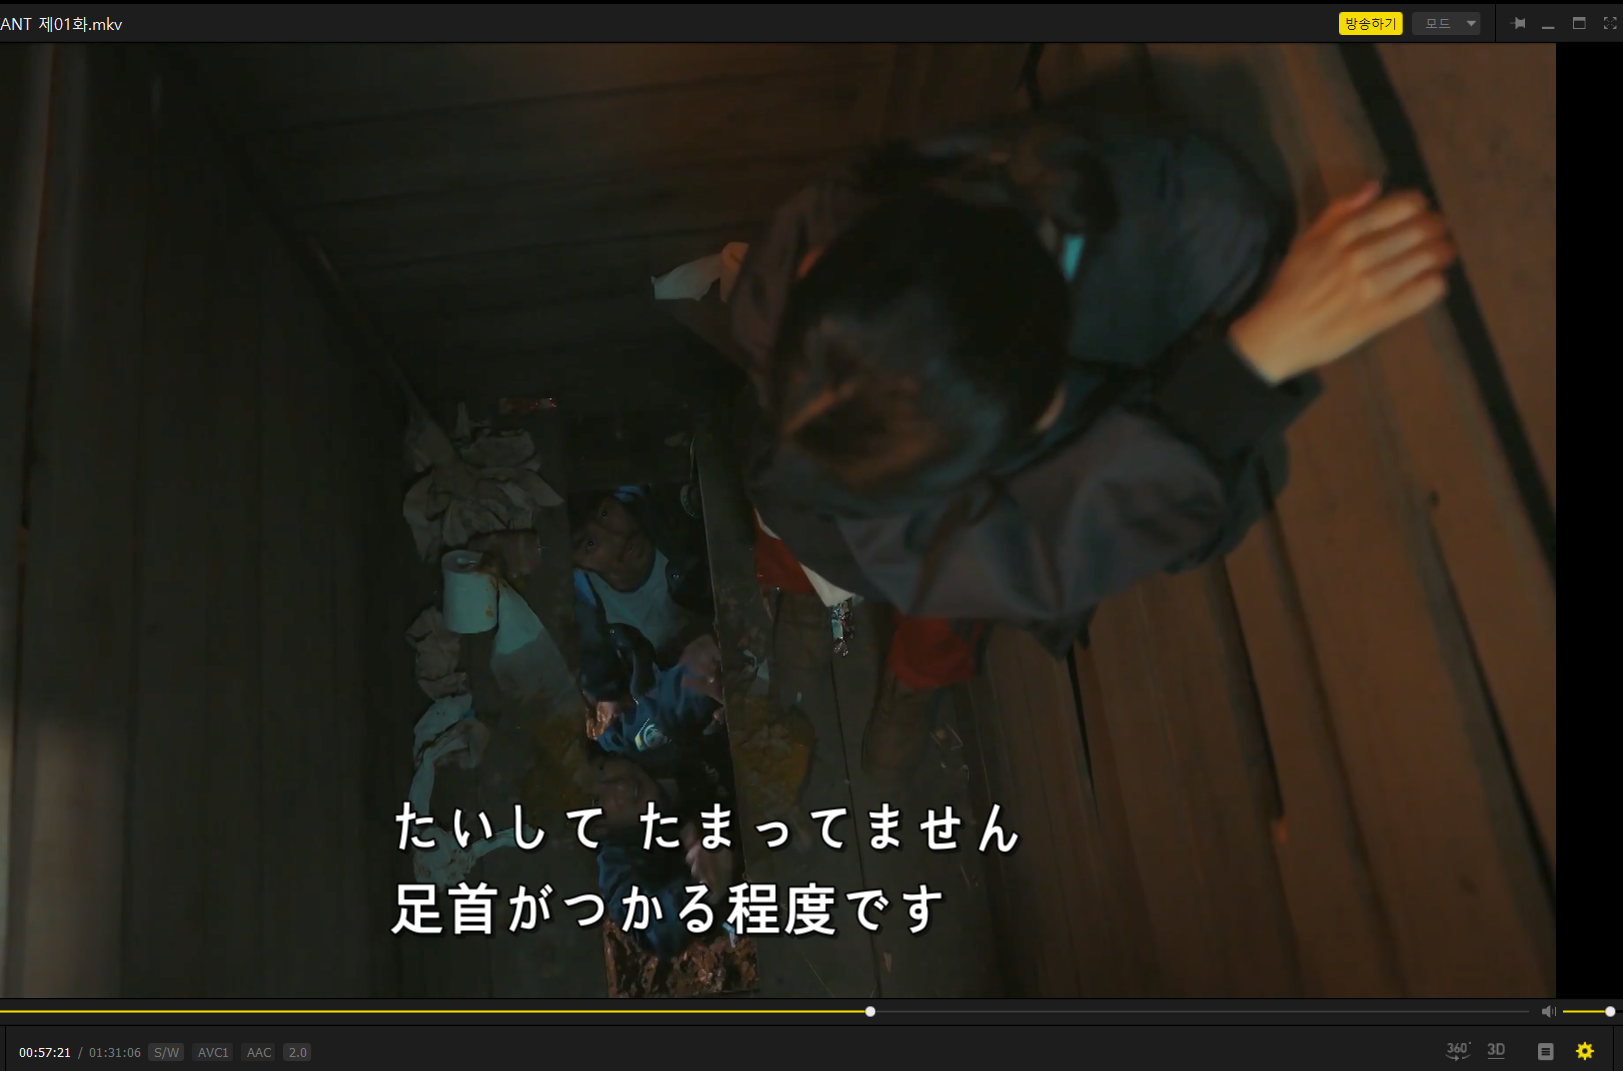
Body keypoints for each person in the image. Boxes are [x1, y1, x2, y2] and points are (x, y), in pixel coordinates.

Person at [725, 104, 1456, 773]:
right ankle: (830, 607)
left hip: (921, 519)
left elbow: (1092, 533)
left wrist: (1245, 370)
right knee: (845, 537)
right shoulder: (814, 280)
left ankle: (913, 677)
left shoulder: (1190, 232)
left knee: (949, 582)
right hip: (844, 508)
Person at [582, 634, 737, 958]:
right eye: (598, 803)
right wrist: (702, 890)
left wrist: (702, 679)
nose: (619, 786)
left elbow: (665, 708)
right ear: (597, 830)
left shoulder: (630, 743)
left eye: (601, 771)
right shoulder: (617, 857)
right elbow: (647, 924)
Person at [570, 486, 714, 703]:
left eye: (606, 513)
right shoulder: (586, 611)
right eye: (590, 544)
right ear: (578, 566)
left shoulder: (677, 514)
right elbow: (614, 696)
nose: (618, 537)